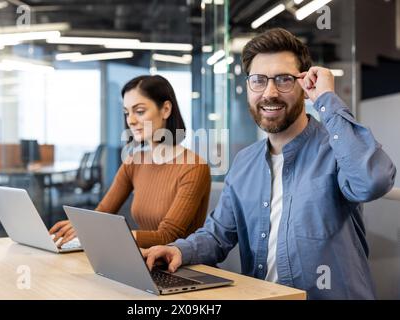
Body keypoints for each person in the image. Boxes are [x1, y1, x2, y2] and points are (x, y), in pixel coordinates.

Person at [143, 28, 396, 299]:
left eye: (284, 80)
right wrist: (179, 250)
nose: (270, 92)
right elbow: (218, 235)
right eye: (259, 80)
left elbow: (373, 181)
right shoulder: (244, 163)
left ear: (304, 84)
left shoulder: (336, 149)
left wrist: (326, 100)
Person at [50, 75, 211, 249]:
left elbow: (167, 236)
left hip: (183, 268)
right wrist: (81, 225)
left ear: (165, 109)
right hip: (143, 260)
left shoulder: (194, 168)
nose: (131, 120)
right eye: (127, 112)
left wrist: (103, 233)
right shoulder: (134, 162)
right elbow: (101, 213)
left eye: (139, 111)